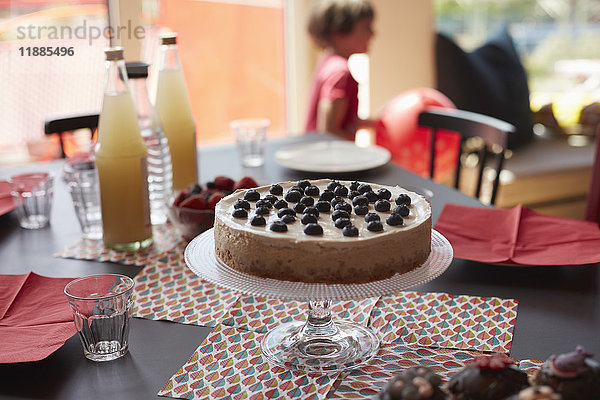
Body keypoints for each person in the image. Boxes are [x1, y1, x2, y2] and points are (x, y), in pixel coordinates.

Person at [304, 0, 376, 140]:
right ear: (339, 32)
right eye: (366, 27)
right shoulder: (340, 72)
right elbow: (328, 132)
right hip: (329, 159)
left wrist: (373, 124)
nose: (373, 34)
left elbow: (343, 120)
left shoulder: (329, 61)